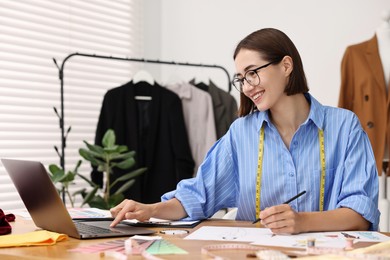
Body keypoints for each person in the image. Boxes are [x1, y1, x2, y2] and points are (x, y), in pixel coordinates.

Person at [110, 28, 380, 234]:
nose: (247, 86)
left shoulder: (345, 127)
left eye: (253, 73)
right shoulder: (242, 134)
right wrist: (149, 210)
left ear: (286, 66)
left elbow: (361, 212)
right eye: (241, 78)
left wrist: (301, 221)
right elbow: (199, 195)